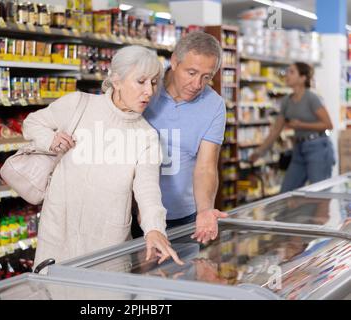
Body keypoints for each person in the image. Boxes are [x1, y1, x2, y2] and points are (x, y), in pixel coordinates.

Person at [22, 46, 183, 270]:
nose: (149, 91)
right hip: (58, 237)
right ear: (116, 80)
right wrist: (50, 139)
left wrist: (154, 229)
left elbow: (148, 191)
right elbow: (32, 123)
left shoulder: (146, 136)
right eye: (141, 81)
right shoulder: (78, 105)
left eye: (154, 83)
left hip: (107, 246)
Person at [141, 31, 228, 245]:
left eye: (206, 77)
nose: (198, 84)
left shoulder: (215, 106)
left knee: (183, 275)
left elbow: (206, 167)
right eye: (191, 72)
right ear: (174, 61)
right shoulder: (145, 88)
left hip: (184, 217)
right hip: (136, 214)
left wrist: (205, 209)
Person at [250, 62, 335, 192]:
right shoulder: (286, 101)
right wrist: (259, 151)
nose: (286, 75)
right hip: (298, 149)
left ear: (303, 78)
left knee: (320, 194)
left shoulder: (312, 98)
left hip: (318, 148)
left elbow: (328, 125)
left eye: (291, 72)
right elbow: (275, 131)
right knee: (286, 193)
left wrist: (301, 125)